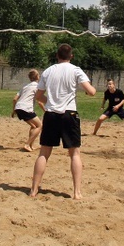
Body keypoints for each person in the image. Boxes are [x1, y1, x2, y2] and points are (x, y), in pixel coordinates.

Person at [29, 43, 96, 199]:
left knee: (44, 153)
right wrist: (87, 91)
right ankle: (77, 193)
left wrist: (50, 101)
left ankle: (33, 190)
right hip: (69, 115)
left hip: (51, 114)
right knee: (74, 154)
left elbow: (38, 96)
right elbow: (91, 91)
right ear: (71, 56)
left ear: (57, 56)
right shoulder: (75, 70)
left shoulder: (48, 71)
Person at [12, 69, 46, 152]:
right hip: (26, 108)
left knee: (34, 126)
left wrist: (14, 110)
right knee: (39, 126)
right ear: (37, 77)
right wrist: (46, 111)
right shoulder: (37, 87)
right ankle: (27, 144)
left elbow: (14, 99)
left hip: (19, 108)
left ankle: (31, 145)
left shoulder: (25, 86)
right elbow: (39, 101)